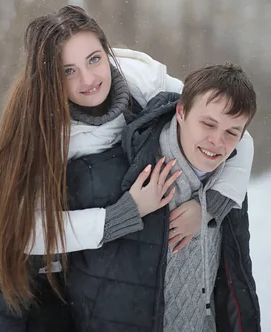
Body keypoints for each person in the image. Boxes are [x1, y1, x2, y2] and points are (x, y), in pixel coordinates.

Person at [0, 5, 254, 331]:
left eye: (94, 59)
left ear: (107, 52)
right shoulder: (42, 132)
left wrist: (209, 207)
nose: (88, 79)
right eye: (68, 71)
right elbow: (24, 233)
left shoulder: (143, 80)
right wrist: (125, 213)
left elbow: (233, 131)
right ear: (48, 77)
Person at [65, 64, 261, 331]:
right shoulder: (123, 173)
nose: (217, 141)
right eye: (208, 123)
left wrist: (210, 207)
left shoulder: (229, 186)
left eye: (231, 132)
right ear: (180, 112)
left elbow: (237, 280)